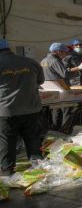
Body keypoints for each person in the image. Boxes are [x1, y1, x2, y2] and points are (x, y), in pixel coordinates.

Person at [0, 40, 45, 175]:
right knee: (33, 138)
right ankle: (38, 168)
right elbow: (40, 81)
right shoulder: (30, 62)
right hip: (32, 108)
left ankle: (7, 170)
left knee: (6, 140)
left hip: (7, 111)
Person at [40, 42, 72, 132]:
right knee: (66, 110)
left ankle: (55, 131)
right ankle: (65, 131)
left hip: (49, 90)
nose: (65, 55)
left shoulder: (43, 61)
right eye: (64, 52)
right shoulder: (55, 60)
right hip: (60, 89)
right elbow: (65, 74)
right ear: (58, 51)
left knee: (55, 111)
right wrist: (77, 69)